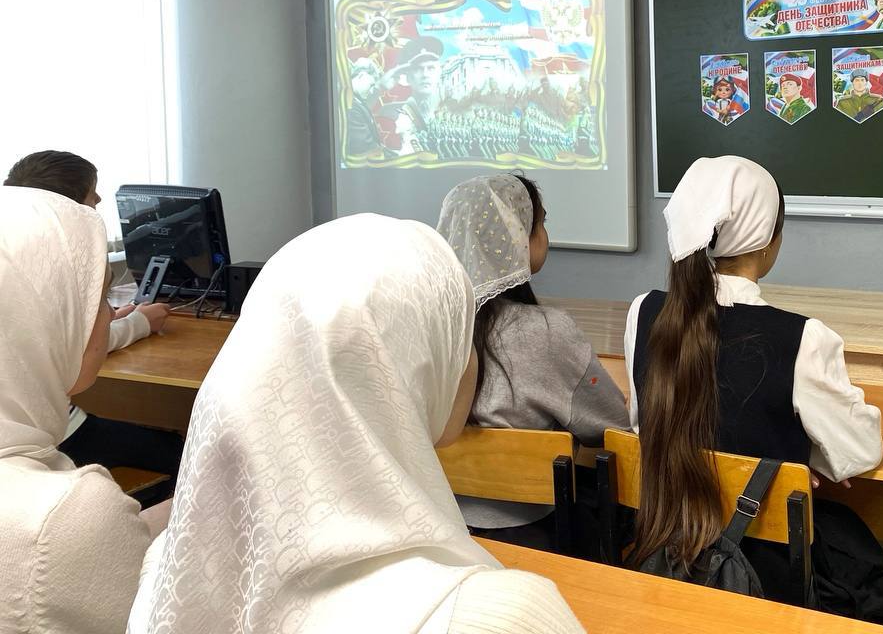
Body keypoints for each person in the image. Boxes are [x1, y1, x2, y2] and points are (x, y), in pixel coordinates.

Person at [128, 213, 585, 634]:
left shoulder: (168, 571)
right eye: (459, 330)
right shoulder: (505, 617)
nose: (468, 356)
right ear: (412, 358)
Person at [623, 156, 883, 631]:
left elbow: (644, 424)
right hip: (765, 579)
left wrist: (783, 462)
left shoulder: (645, 313)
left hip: (664, 555)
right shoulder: (802, 338)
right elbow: (859, 452)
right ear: (768, 240)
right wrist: (802, 458)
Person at [0, 187, 165, 634]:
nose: (109, 316)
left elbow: (91, 553)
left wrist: (191, 504)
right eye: (99, 300)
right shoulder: (63, 514)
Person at [438, 174, 628, 548]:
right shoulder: (547, 331)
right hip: (535, 533)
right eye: (541, 222)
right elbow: (611, 429)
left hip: (447, 526)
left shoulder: (431, 326)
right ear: (518, 239)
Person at [4, 151, 184, 485]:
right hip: (63, 435)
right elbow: (72, 347)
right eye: (92, 195)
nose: (99, 201)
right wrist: (139, 324)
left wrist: (109, 322)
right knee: (183, 450)